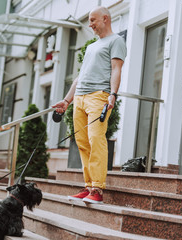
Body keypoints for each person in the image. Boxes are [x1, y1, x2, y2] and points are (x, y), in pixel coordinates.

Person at [52, 6, 127, 204]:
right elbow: (80, 76)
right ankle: (88, 186)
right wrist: (67, 100)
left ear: (105, 19)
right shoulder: (93, 45)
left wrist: (113, 94)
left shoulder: (116, 41)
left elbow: (116, 69)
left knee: (96, 139)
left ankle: (98, 189)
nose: (90, 24)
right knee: (83, 143)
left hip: (98, 96)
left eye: (93, 20)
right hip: (80, 98)